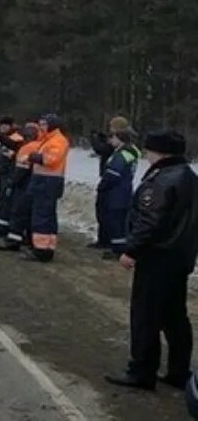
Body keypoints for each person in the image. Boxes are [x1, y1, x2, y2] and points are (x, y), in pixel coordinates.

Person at [105, 131, 198, 391]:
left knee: (146, 314)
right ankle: (179, 371)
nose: (146, 155)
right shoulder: (188, 176)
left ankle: (142, 370)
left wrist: (132, 249)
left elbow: (151, 219)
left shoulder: (163, 179)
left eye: (149, 150)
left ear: (159, 152)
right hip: (180, 256)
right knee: (174, 315)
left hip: (158, 256)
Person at [24, 113, 68, 262]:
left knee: (42, 216)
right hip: (44, 181)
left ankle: (41, 250)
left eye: (44, 124)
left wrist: (34, 157)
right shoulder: (47, 140)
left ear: (51, 125)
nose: (41, 127)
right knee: (46, 216)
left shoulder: (58, 140)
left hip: (48, 182)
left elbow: (52, 159)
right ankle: (45, 248)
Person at [0, 122, 42, 252]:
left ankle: (13, 241)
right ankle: (29, 240)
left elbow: (22, 168)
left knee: (18, 212)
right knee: (29, 214)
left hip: (23, 184)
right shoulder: (39, 145)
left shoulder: (27, 147)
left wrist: (12, 182)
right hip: (34, 183)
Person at [90, 115, 132, 249]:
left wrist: (95, 139)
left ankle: (114, 245)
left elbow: (103, 149)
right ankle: (105, 241)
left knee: (113, 216)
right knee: (104, 213)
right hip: (112, 180)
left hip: (115, 184)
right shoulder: (120, 146)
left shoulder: (123, 149)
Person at [97, 129, 140, 260]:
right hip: (123, 191)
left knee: (116, 222)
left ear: (120, 139)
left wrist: (102, 186)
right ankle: (119, 248)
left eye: (113, 138)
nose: (111, 141)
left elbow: (113, 173)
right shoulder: (129, 153)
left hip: (116, 192)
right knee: (121, 222)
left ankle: (118, 250)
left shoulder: (122, 155)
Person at [0, 117, 25, 238]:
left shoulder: (15, 138)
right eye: (1, 125)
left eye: (5, 125)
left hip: (10, 176)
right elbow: (0, 160)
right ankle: (1, 228)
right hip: (3, 176)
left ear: (11, 126)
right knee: (3, 202)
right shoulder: (4, 140)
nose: (2, 127)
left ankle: (5, 230)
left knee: (7, 203)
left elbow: (10, 160)